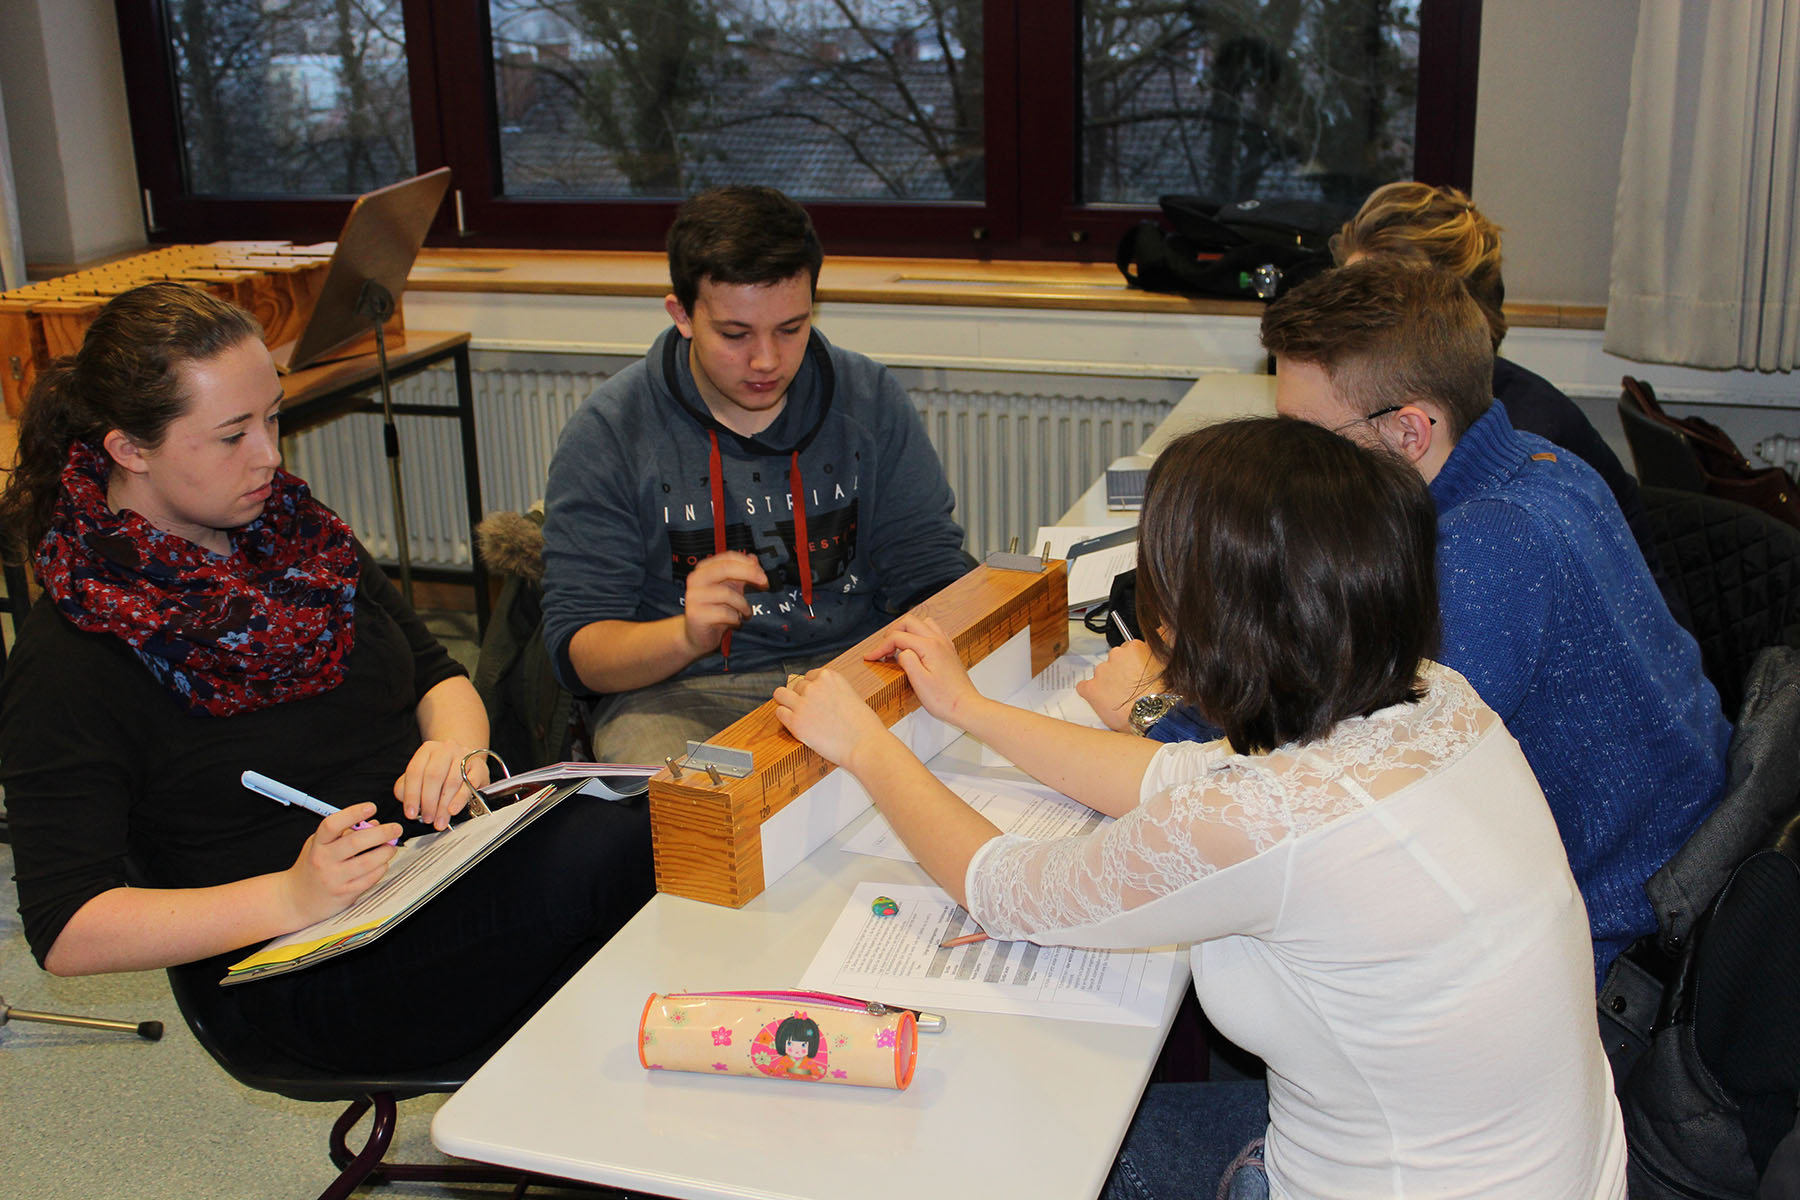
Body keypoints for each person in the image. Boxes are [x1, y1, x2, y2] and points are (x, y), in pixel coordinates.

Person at [774, 417, 1627, 1199]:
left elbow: (1006, 891)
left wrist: (867, 747)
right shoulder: (1438, 698)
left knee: (1017, 1144)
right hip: (1558, 1175)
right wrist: (971, 709)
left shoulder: (1272, 817)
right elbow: (1175, 774)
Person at [0, 283, 654, 1074]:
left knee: (651, 826)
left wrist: (454, 749)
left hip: (427, 873)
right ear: (130, 450)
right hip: (296, 965)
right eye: (233, 434)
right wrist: (290, 895)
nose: (270, 455)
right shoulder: (74, 652)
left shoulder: (299, 540)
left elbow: (437, 675)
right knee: (617, 854)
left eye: (272, 419)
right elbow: (67, 930)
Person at [1085, 261, 1727, 987]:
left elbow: (1313, 790)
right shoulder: (1543, 466)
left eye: (1307, 437)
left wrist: (1153, 710)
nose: (1283, 460)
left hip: (1605, 950)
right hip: (1652, 875)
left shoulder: (1480, 556)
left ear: (1410, 430)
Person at [540, 185, 970, 766]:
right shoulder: (611, 432)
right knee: (677, 804)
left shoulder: (868, 398)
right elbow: (579, 652)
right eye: (735, 335)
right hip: (681, 691)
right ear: (682, 315)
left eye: (791, 328)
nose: (766, 360)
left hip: (853, 666)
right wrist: (685, 635)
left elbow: (929, 572)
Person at [1330, 181, 1677, 612]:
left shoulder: (1521, 447)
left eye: (1372, 312)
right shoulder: (1411, 405)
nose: (1343, 331)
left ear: (1454, 322)